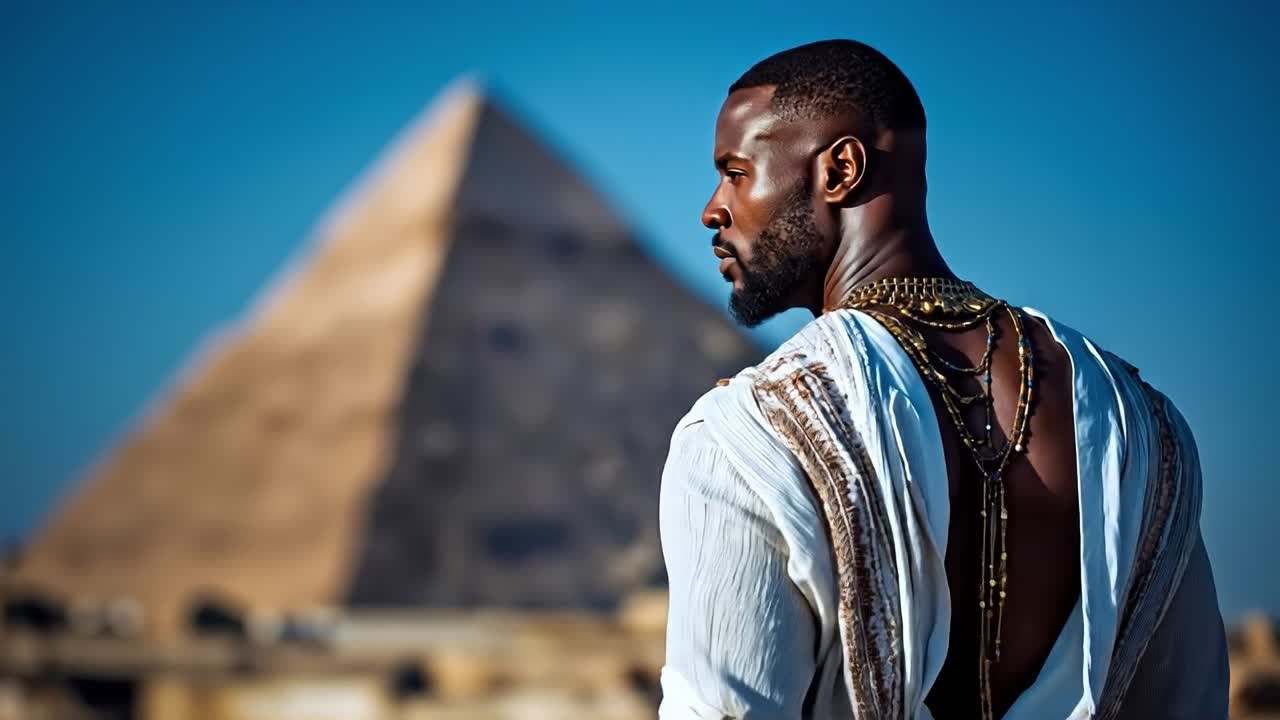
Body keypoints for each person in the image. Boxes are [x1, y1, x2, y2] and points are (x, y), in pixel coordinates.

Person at [658, 39, 1229, 720]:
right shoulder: (1139, 423)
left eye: (736, 172)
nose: (712, 209)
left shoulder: (751, 435)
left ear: (840, 170)